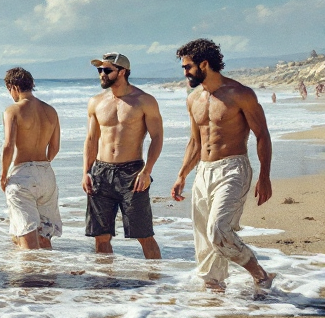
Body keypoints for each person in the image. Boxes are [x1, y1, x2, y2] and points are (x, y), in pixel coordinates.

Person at [170, 38, 274, 293]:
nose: (185, 72)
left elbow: (262, 135)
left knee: (218, 230)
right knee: (204, 239)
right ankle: (214, 292)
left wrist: (264, 177)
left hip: (233, 168)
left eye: (187, 67)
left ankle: (260, 275)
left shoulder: (240, 94)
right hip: (203, 171)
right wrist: (182, 175)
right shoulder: (193, 99)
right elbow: (195, 142)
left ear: (204, 64)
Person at [83, 53, 163, 259]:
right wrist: (86, 172)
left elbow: (157, 138)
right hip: (101, 172)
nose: (101, 74)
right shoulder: (96, 102)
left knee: (144, 235)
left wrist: (147, 171)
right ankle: (105, 279)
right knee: (100, 236)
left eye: (106, 70)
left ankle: (156, 277)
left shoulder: (144, 101)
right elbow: (91, 139)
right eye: (99, 70)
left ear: (122, 72)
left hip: (132, 173)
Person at [0, 68, 61, 250]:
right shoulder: (50, 111)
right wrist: (42, 165)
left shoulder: (13, 110)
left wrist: (3, 174)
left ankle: (31, 269)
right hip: (46, 174)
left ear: (13, 87)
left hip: (23, 175)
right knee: (44, 238)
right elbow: (55, 147)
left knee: (27, 238)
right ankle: (48, 269)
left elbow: (8, 146)